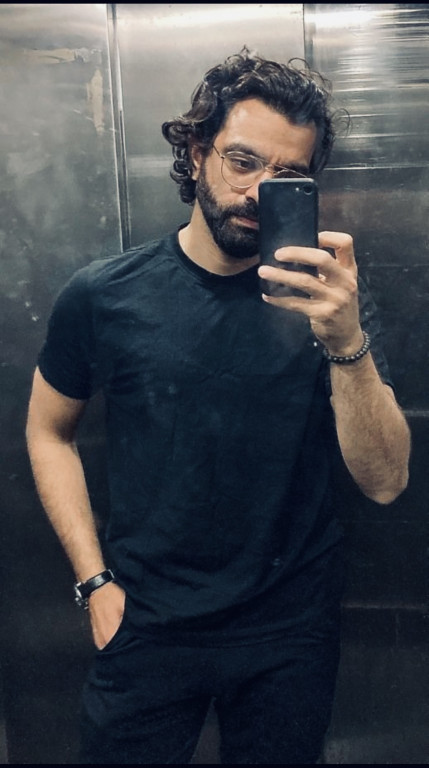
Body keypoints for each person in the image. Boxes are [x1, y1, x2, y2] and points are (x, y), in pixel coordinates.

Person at [25, 48, 411, 765]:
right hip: (145, 622)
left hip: (289, 631)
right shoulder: (104, 295)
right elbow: (49, 432)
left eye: (287, 176)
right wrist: (93, 582)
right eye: (242, 161)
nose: (259, 191)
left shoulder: (331, 304)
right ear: (198, 152)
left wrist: (345, 342)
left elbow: (386, 481)